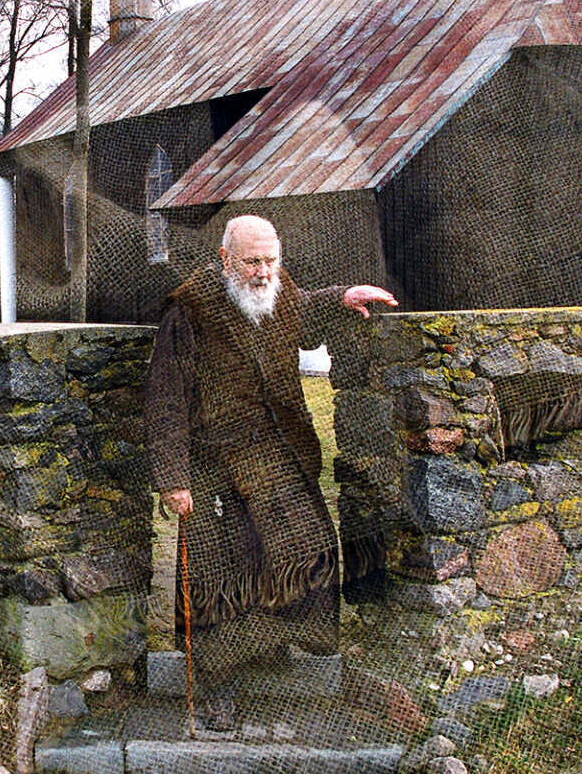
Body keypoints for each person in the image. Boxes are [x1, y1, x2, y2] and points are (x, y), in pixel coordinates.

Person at [144, 215, 397, 729]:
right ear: (225, 259)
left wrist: (343, 296)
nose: (263, 272)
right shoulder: (189, 310)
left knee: (305, 549)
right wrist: (173, 477)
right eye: (252, 262)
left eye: (270, 261)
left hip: (280, 456)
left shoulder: (278, 292)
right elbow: (165, 398)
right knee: (222, 578)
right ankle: (217, 684)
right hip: (216, 464)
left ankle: (276, 648)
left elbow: (304, 310)